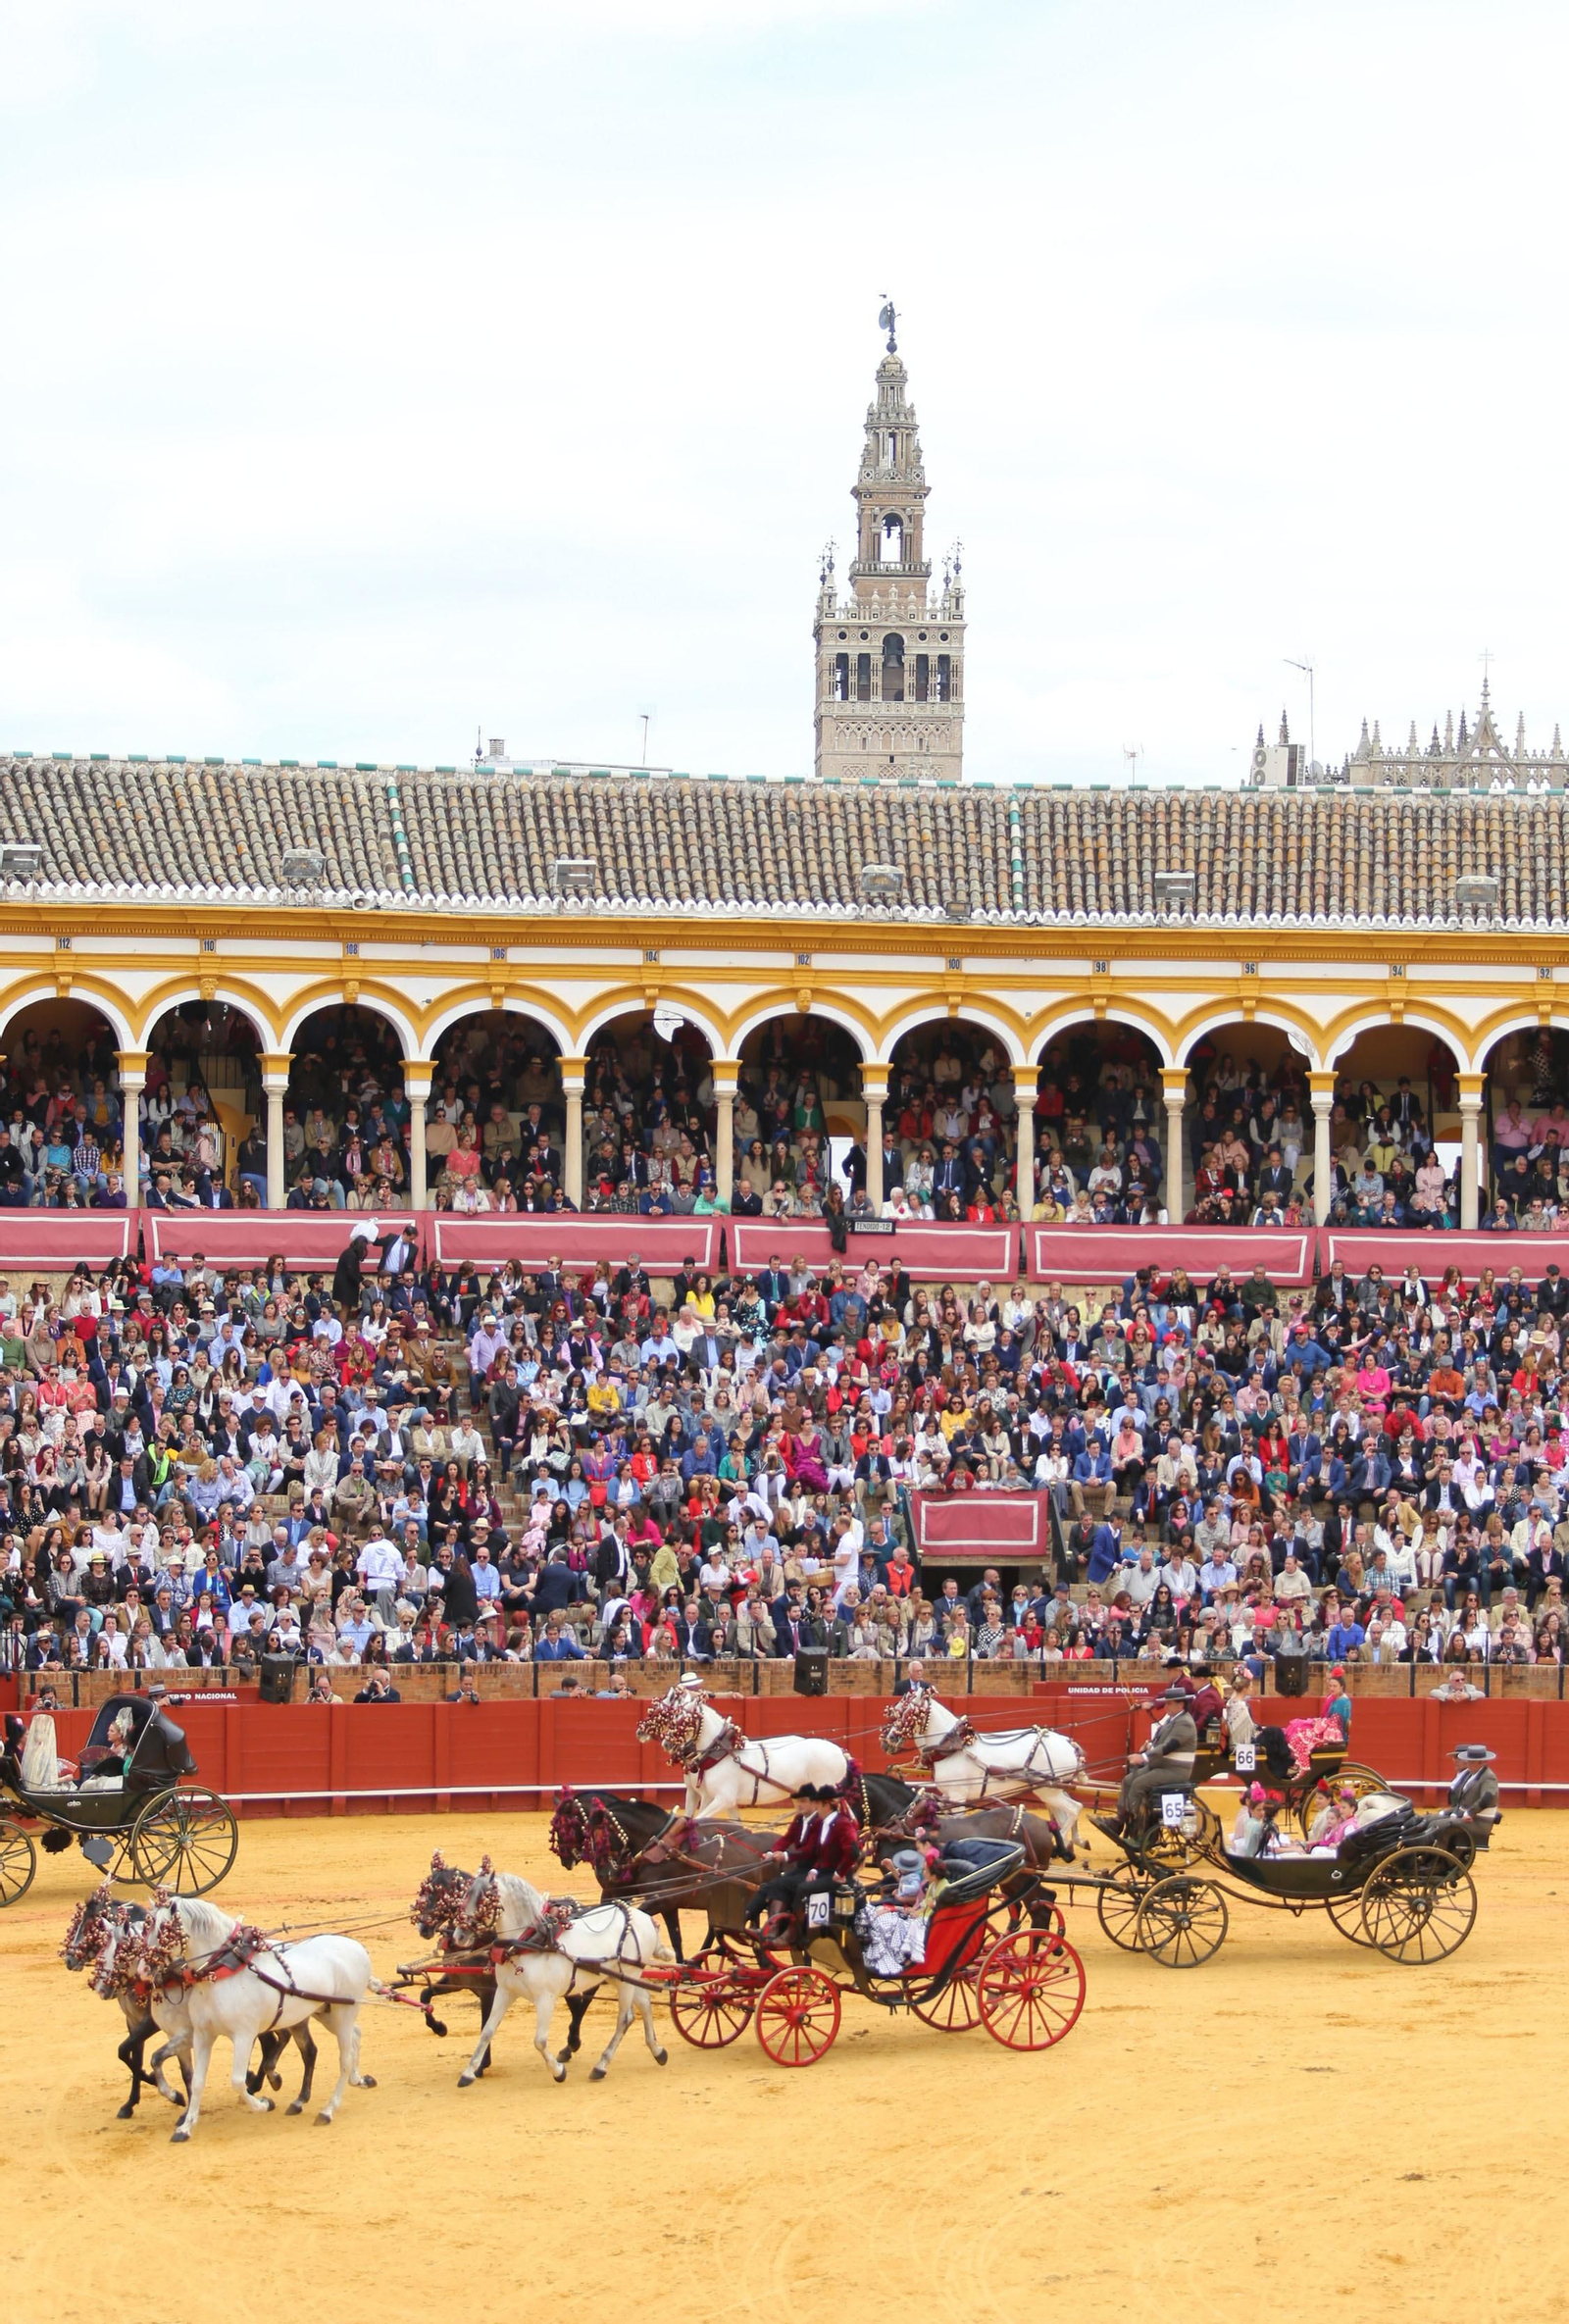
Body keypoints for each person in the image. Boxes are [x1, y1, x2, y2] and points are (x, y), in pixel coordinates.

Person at [744, 1783, 860, 1938]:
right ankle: (753, 1920)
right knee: (771, 1886)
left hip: (834, 1875)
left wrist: (840, 1873)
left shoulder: (839, 1823)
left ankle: (794, 1931)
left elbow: (852, 1851)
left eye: (817, 1804)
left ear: (825, 1805)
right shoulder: (824, 1822)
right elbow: (820, 1853)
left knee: (799, 1888)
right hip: (819, 1871)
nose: (816, 1808)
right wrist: (815, 1870)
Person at [1099, 1685, 1197, 1837]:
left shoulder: (1185, 1723)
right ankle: (1120, 1820)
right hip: (1161, 1766)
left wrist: (1144, 1757)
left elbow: (1169, 1746)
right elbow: (1162, 1742)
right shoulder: (1173, 1719)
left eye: (1169, 1703)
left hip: (1175, 1771)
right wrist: (1149, 1746)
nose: (1166, 1706)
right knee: (1128, 1780)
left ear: (1181, 1704)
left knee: (1139, 1784)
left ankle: (1130, 1821)